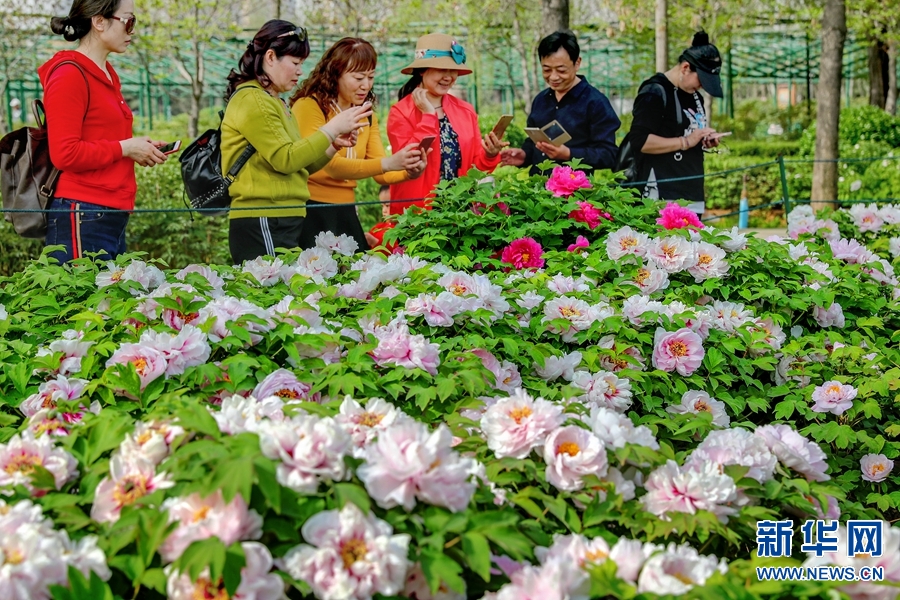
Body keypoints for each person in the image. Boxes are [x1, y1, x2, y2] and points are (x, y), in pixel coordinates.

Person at [221, 20, 371, 264]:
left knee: (283, 296)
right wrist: (331, 129)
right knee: (269, 295)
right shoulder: (253, 100)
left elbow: (301, 164)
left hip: (282, 217)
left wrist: (333, 145)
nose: (300, 71)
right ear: (270, 57)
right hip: (264, 218)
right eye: (295, 63)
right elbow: (285, 159)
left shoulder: (275, 101)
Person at [41, 0, 168, 263]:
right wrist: (125, 147)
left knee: (108, 303)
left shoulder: (107, 74)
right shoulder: (70, 75)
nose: (132, 31)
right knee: (82, 302)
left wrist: (135, 146)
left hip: (108, 211)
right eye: (128, 21)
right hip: (82, 211)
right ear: (99, 22)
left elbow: (100, 139)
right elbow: (65, 153)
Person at [290, 37, 426, 251]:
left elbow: (381, 172)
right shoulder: (309, 106)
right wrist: (390, 163)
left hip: (346, 210)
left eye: (370, 77)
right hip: (310, 210)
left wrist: (408, 172)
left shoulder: (366, 114)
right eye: (358, 77)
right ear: (335, 74)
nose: (366, 85)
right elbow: (331, 166)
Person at [386, 33, 505, 215]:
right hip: (417, 215)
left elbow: (475, 169)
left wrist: (489, 155)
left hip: (461, 213)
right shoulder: (401, 112)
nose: (449, 77)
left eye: (453, 70)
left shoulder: (465, 111)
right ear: (422, 70)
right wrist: (428, 115)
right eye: (442, 69)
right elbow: (410, 160)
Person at [627, 31, 723, 216]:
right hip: (661, 195)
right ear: (685, 67)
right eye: (701, 80)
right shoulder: (654, 92)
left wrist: (704, 139)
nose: (702, 86)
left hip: (692, 191)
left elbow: (689, 132)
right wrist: (685, 141)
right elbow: (639, 140)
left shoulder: (695, 96)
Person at [501, 30, 620, 174]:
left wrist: (569, 154)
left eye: (561, 70)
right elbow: (534, 143)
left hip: (575, 191)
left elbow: (609, 154)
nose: (553, 77)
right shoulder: (540, 100)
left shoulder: (595, 102)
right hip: (538, 190)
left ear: (577, 63)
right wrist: (525, 155)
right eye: (546, 70)